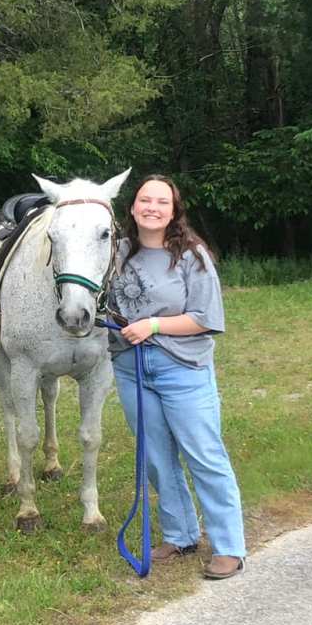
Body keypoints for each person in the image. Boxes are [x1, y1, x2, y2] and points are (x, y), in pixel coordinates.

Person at [107, 175, 248, 580]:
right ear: (132, 208)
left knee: (204, 454)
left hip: (182, 368)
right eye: (144, 200)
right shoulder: (115, 254)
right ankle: (181, 534)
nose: (152, 207)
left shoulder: (192, 256)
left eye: (161, 202)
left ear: (173, 211)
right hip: (131, 367)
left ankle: (230, 546)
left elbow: (206, 319)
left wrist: (152, 325)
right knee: (154, 456)